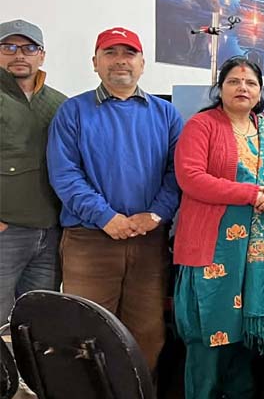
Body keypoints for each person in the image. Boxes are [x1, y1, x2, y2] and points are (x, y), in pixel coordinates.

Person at [47, 27, 182, 371]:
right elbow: (65, 175)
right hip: (89, 241)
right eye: (110, 53)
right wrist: (105, 216)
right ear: (95, 63)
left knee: (147, 335)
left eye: (129, 53)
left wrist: (155, 215)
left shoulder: (166, 114)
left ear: (142, 64)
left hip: (148, 241)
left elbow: (177, 172)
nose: (120, 60)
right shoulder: (72, 111)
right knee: (84, 335)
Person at [173, 57, 264, 397]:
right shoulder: (202, 125)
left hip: (259, 257)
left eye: (250, 83)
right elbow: (191, 178)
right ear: (220, 89)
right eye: (233, 81)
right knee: (208, 340)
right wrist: (253, 194)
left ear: (260, 91)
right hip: (213, 250)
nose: (242, 88)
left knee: (244, 347)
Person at [0, 19, 67, 323]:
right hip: (6, 233)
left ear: (42, 55)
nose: (19, 55)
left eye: (28, 48)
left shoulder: (59, 104)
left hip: (50, 233)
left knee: (40, 322)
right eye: (9, 47)